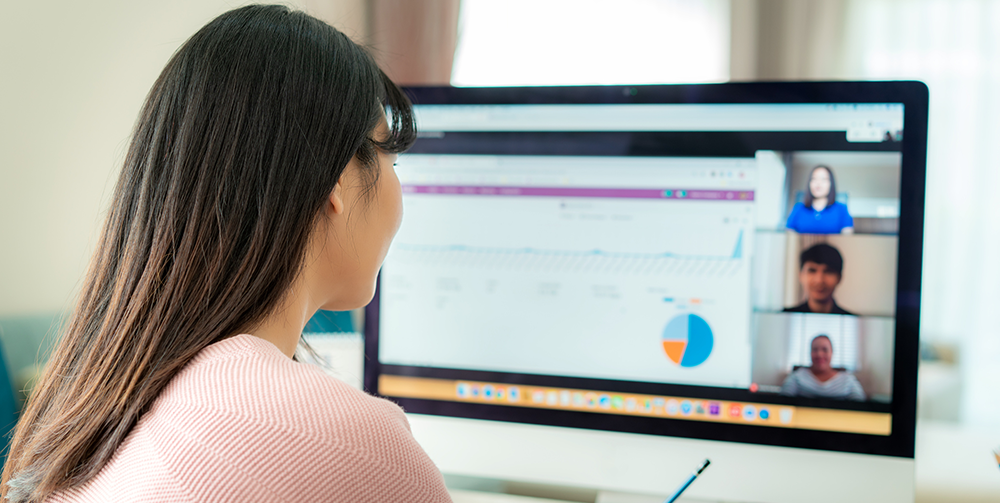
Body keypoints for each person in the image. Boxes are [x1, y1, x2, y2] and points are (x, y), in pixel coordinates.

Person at [1, 6, 452, 503]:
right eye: (388, 155)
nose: (397, 187)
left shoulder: (95, 415)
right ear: (339, 178)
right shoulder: (355, 444)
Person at [781, 335, 866, 401]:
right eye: (815, 349)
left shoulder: (848, 380)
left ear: (832, 352)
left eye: (825, 349)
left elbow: (861, 406)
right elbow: (783, 402)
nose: (819, 355)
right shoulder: (797, 377)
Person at [784, 243, 855, 315]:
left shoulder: (853, 321)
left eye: (828, 272)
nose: (819, 280)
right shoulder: (785, 317)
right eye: (812, 270)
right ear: (800, 275)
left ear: (839, 278)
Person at [785, 165, 854, 234]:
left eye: (823, 179)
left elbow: (847, 239)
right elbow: (789, 236)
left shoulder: (842, 209)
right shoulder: (798, 208)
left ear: (831, 184)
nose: (818, 183)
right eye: (814, 179)